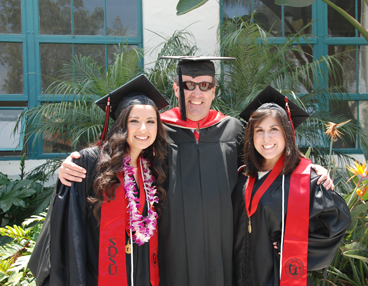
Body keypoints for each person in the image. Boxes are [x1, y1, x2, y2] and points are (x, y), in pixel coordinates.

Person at [57, 57, 334, 286]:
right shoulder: (158, 128)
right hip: (169, 244)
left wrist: (306, 166)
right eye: (188, 85)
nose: (196, 93)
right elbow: (122, 154)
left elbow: (265, 159)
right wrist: (76, 161)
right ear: (177, 89)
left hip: (224, 244)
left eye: (204, 85)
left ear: (215, 90)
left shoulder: (233, 130)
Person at [28, 74, 169, 286]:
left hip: (140, 274)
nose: (143, 129)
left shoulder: (152, 167)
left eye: (150, 122)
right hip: (98, 274)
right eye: (134, 121)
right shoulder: (91, 162)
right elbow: (68, 226)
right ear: (121, 125)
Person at [232, 86, 351, 286]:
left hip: (281, 278)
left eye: (274, 129)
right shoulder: (241, 176)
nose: (266, 138)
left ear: (287, 133)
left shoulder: (306, 180)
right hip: (238, 277)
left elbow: (336, 223)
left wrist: (297, 247)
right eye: (259, 130)